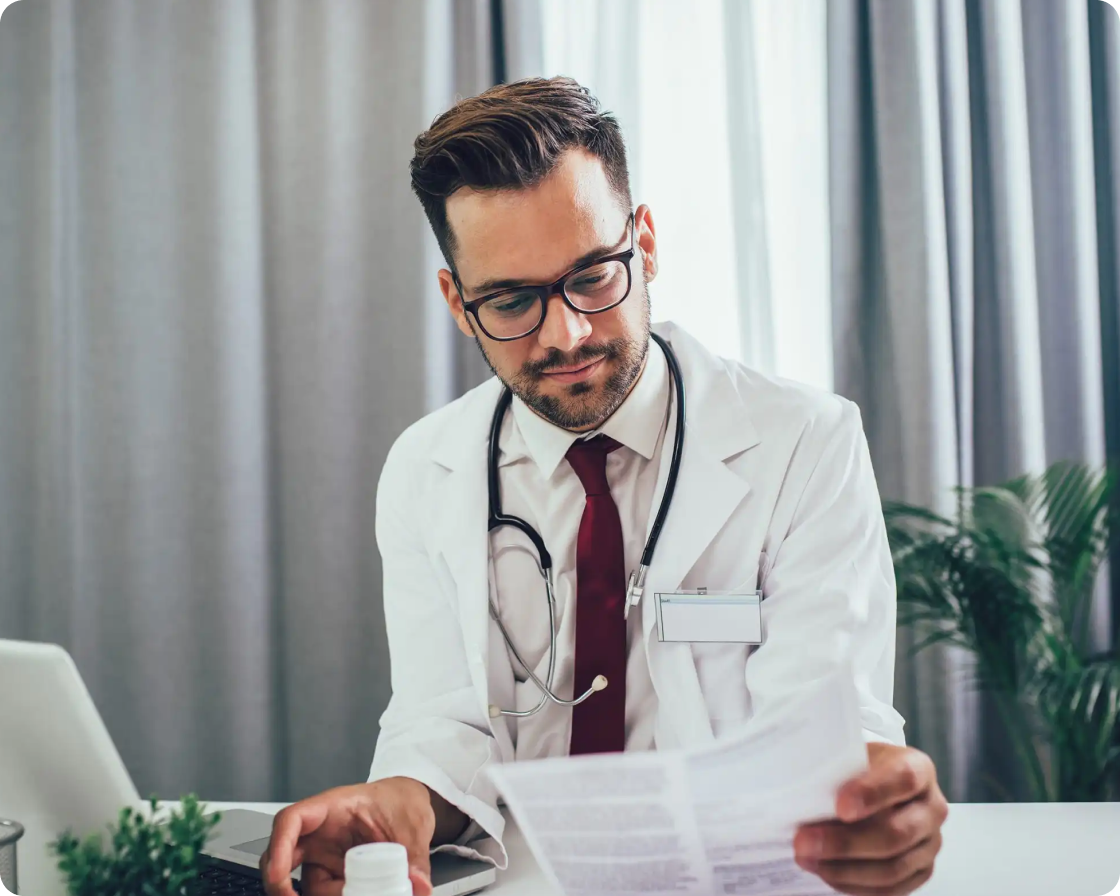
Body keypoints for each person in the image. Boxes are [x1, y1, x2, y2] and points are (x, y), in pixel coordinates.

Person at [261, 76, 948, 896]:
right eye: (512, 300)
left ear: (645, 243)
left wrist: (872, 800)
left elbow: (828, 723)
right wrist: (401, 804)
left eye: (593, 276)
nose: (568, 333)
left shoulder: (806, 443)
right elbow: (442, 720)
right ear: (457, 302)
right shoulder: (425, 467)